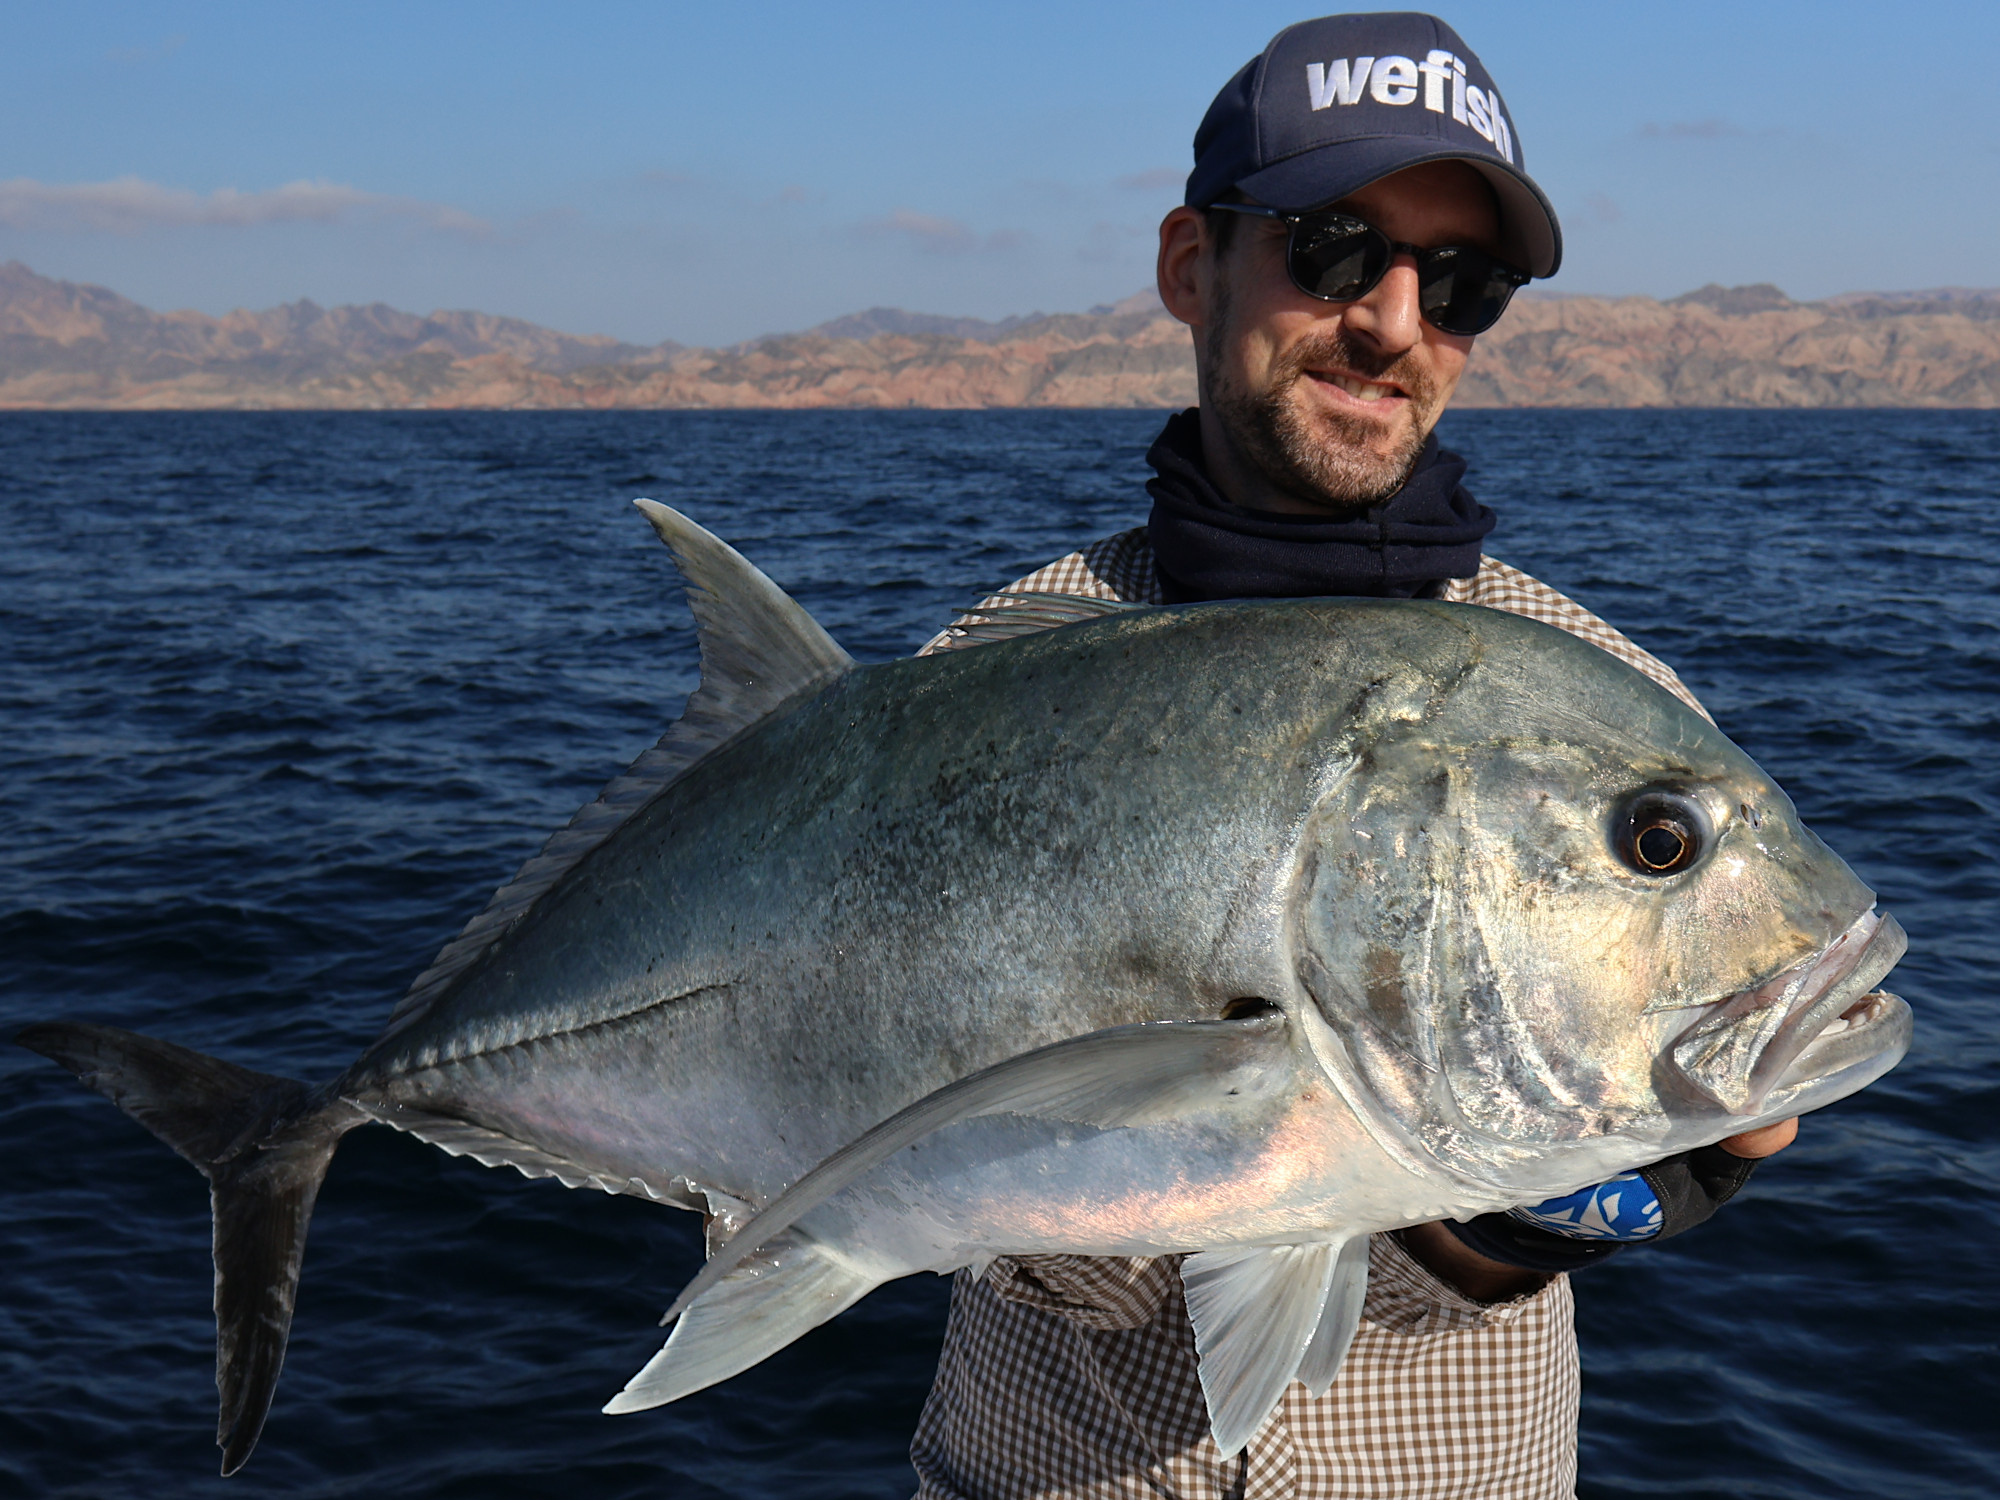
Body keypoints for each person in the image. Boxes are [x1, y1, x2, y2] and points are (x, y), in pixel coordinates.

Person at [906, 14, 1795, 1500]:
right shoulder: (1004, 665)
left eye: (1463, 284)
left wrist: (1565, 1210)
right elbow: (909, 1184)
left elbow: (1650, 1146)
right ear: (1195, 265)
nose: (1394, 320)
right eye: (1334, 246)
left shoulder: (1604, 708)